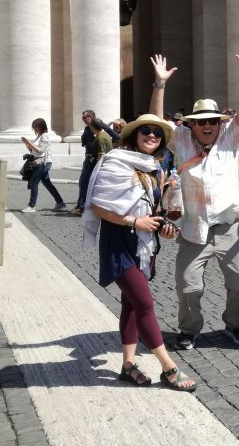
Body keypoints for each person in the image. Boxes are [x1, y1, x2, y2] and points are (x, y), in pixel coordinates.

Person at [149, 45, 239, 351]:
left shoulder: (229, 139)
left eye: (213, 121)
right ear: (191, 124)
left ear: (220, 123)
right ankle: (189, 329)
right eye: (202, 121)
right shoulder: (180, 140)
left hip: (227, 225)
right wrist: (160, 84)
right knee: (187, 285)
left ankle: (236, 325)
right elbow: (156, 121)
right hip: (193, 227)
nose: (208, 126)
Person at [81, 114, 196, 392]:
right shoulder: (114, 162)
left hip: (143, 247)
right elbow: (98, 206)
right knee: (145, 305)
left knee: (131, 305)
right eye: (146, 130)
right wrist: (136, 222)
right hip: (119, 245)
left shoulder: (154, 168)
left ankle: (128, 365)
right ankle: (168, 368)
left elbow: (152, 211)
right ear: (134, 134)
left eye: (157, 133)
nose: (152, 136)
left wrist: (163, 227)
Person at [72, 111, 119, 216]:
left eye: (84, 117)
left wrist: (108, 145)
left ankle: (86, 207)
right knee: (83, 183)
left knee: (94, 184)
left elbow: (116, 136)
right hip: (89, 158)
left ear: (91, 117)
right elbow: (83, 141)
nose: (83, 119)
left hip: (97, 159)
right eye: (82, 117)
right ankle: (81, 205)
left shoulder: (101, 127)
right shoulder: (87, 129)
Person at [20, 118, 66, 213]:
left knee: (34, 182)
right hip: (40, 162)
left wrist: (29, 142)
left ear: (41, 126)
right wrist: (26, 144)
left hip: (44, 162)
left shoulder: (45, 136)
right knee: (47, 183)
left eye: (36, 127)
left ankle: (31, 206)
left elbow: (40, 150)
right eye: (34, 127)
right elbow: (34, 151)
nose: (34, 129)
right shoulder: (39, 136)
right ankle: (60, 203)